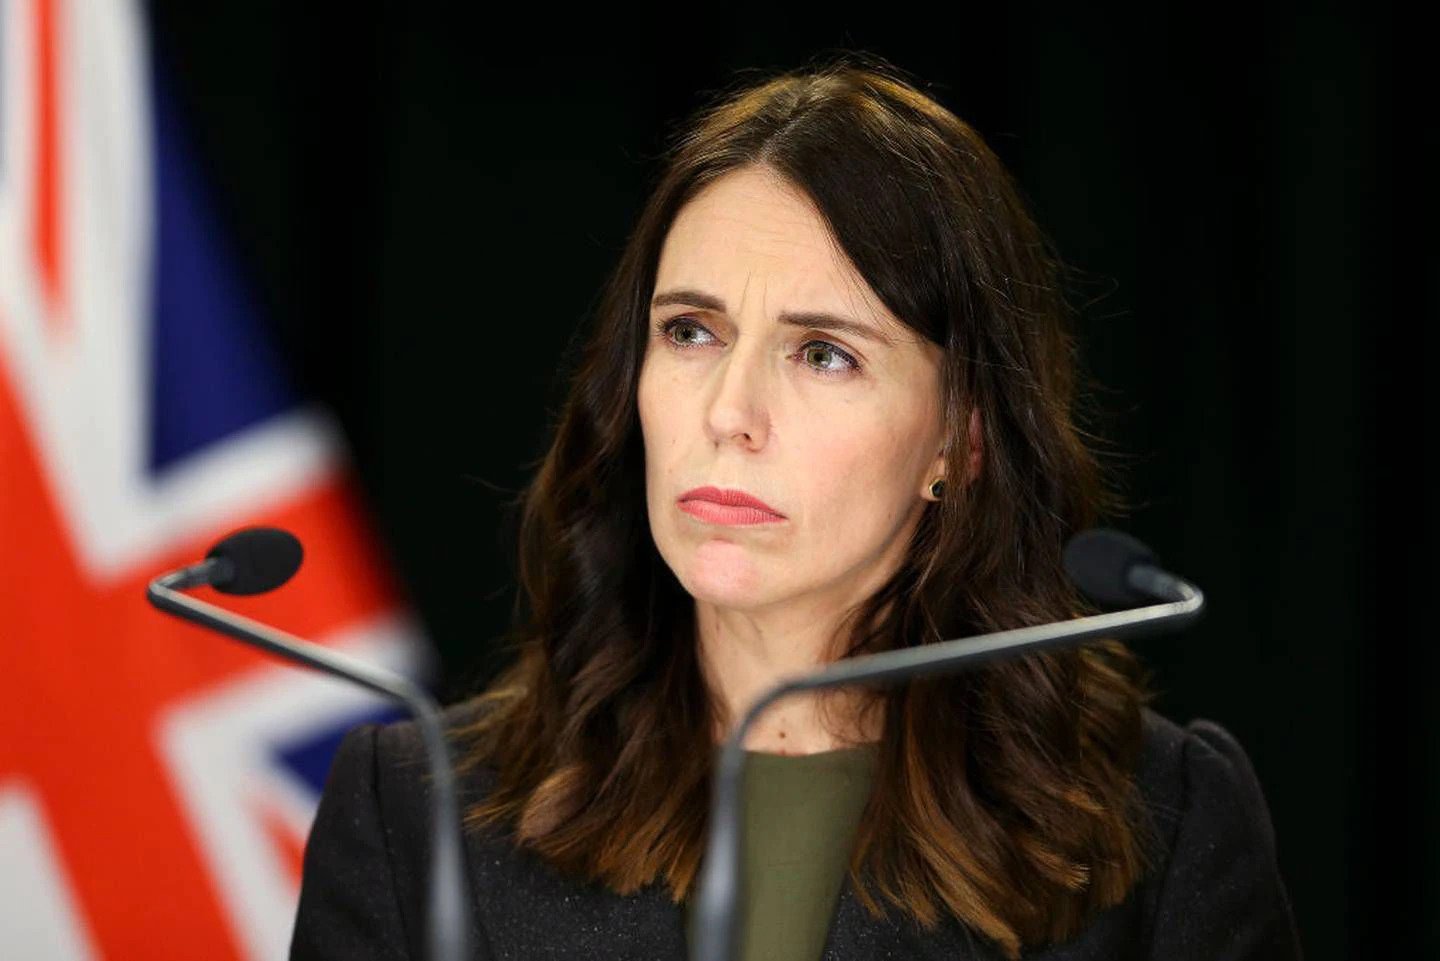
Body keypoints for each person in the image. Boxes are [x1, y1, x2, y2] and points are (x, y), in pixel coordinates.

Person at [290, 55, 1302, 961]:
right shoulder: (416, 807)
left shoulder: (1162, 823)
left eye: (824, 353)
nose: (729, 413)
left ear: (960, 442)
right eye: (691, 332)